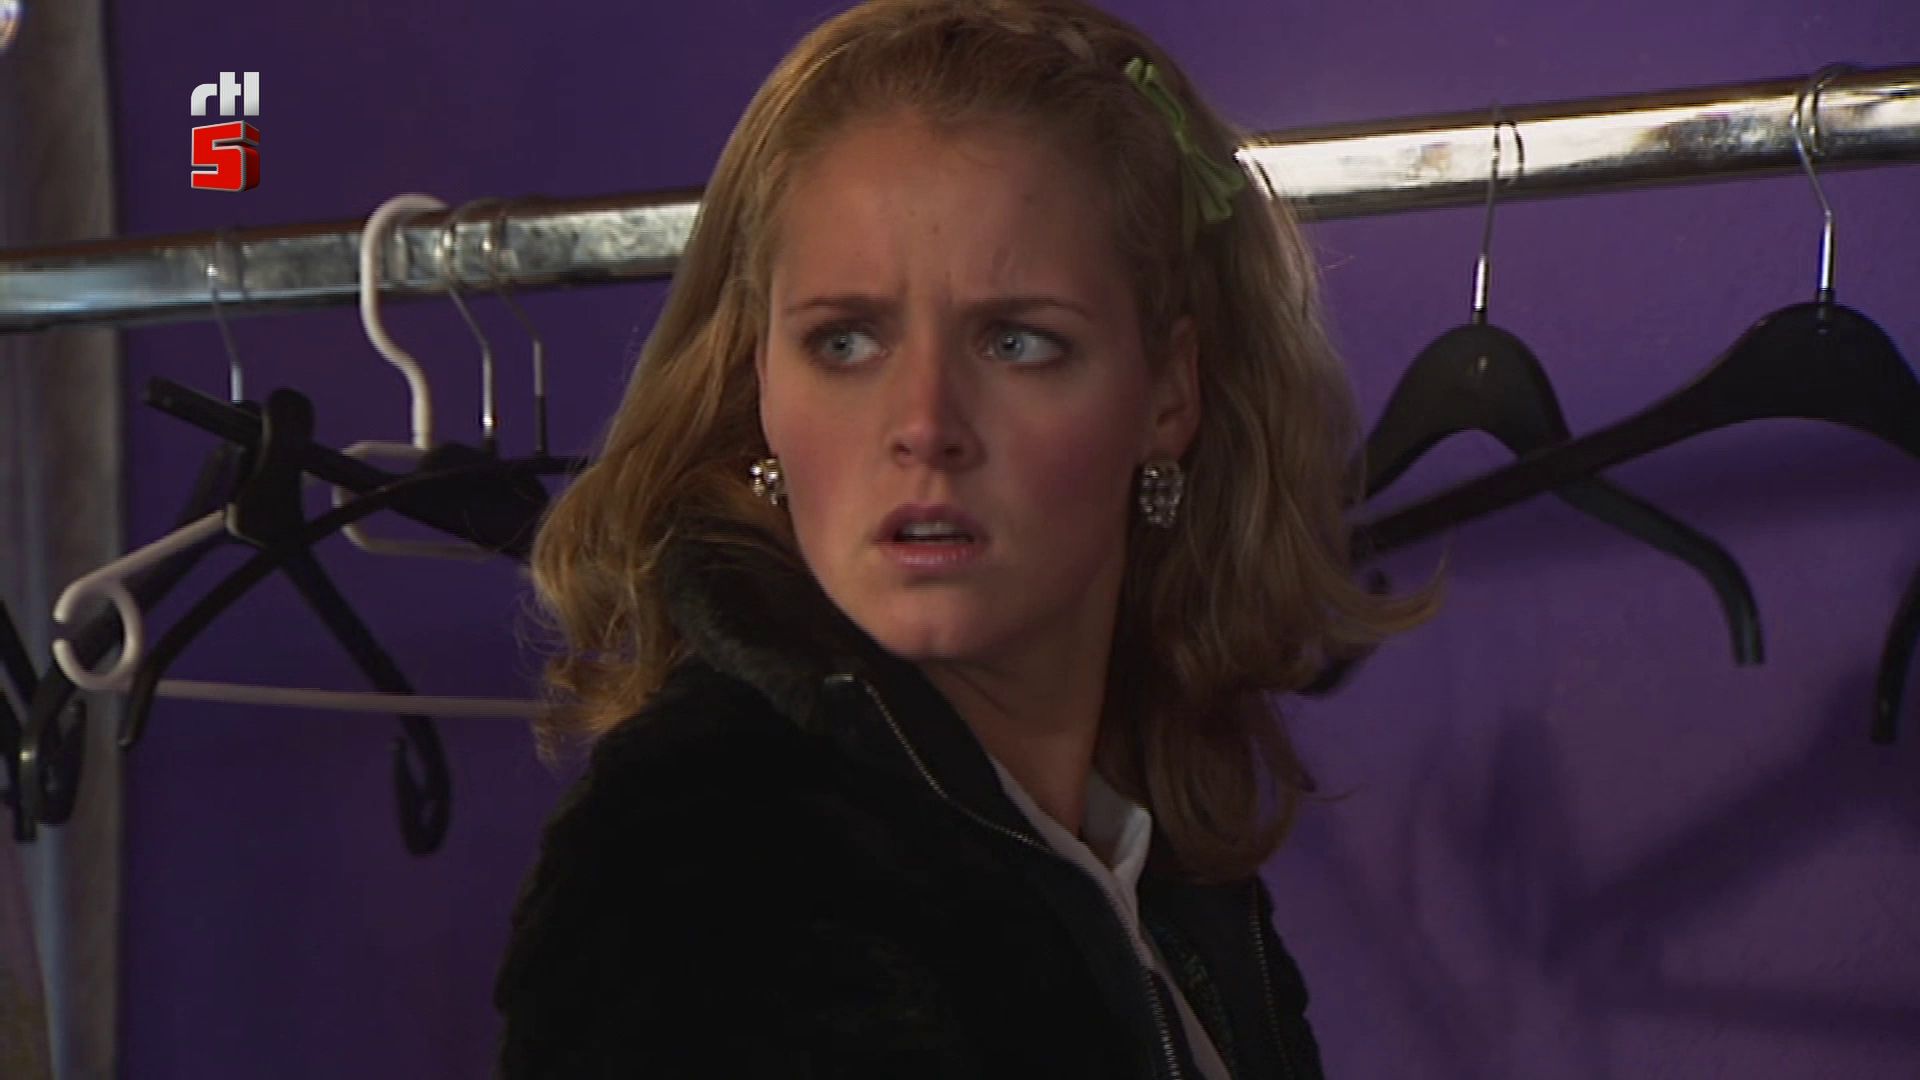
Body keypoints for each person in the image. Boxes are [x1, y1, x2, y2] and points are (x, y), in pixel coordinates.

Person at [493, 0, 1432, 1075]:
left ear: (1168, 394)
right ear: (762, 386)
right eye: (845, 342)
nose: (925, 425)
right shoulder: (704, 866)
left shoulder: (1153, 879)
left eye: (1016, 340)